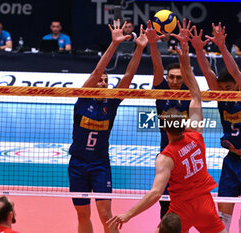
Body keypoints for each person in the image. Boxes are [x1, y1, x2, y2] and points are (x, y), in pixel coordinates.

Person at [107, 38, 227, 233]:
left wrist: (127, 214)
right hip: (204, 202)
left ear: (163, 125)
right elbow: (197, 95)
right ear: (184, 122)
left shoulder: (165, 158)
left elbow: (155, 192)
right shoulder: (196, 135)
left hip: (181, 205)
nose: (174, 80)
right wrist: (185, 60)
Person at [68, 19, 148, 233]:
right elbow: (96, 71)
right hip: (77, 164)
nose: (102, 83)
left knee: (106, 215)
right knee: (82, 214)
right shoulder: (83, 100)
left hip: (100, 165)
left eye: (106, 81)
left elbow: (129, 76)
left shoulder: (111, 103)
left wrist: (139, 49)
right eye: (100, 81)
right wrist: (114, 44)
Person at [190, 23, 241, 233]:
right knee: (223, 215)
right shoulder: (221, 96)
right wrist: (198, 49)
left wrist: (222, 47)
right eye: (222, 89)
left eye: (228, 88)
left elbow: (234, 70)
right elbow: (206, 70)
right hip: (231, 162)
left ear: (237, 85)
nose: (224, 92)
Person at [144, 19, 190, 219]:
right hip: (166, 155)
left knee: (186, 205)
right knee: (165, 204)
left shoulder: (189, 92)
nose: (174, 81)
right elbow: (156, 65)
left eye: (178, 77)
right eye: (171, 77)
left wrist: (186, 47)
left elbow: (188, 69)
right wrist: (153, 44)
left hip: (187, 155)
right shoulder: (161, 91)